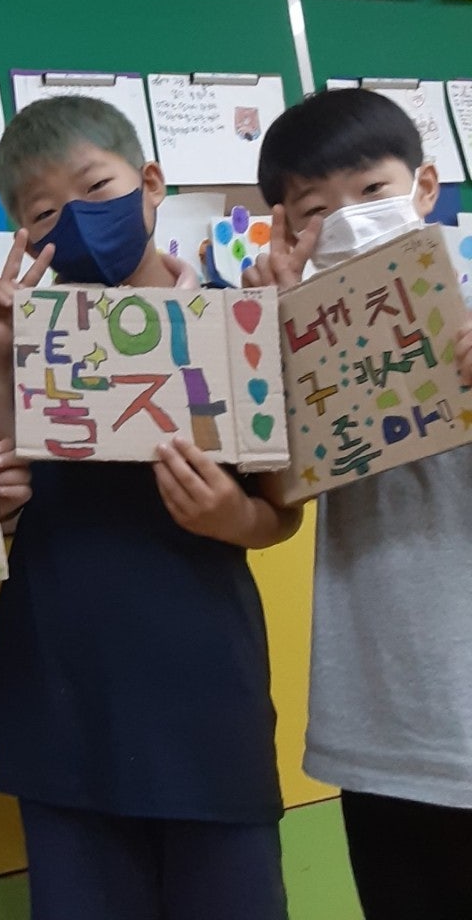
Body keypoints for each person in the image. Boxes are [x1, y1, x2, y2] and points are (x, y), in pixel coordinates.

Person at [0, 96, 300, 920]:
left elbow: (281, 512)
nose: (78, 220)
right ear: (23, 236)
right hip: (63, 708)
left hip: (206, 703)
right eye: (45, 213)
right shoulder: (17, 342)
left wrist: (232, 518)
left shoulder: (232, 323)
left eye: (97, 189)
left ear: (151, 183)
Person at [247, 88, 472, 920]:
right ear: (285, 229)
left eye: (372, 191)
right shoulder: (292, 345)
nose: (346, 221)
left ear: (425, 187)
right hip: (376, 728)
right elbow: (278, 495)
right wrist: (271, 340)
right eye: (316, 210)